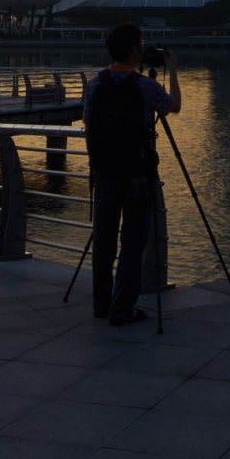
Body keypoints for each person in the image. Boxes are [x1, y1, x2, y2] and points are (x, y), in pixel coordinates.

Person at [82, 24, 180, 327]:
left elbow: (88, 125)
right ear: (135, 50)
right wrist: (172, 70)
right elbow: (174, 107)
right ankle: (122, 308)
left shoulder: (95, 84)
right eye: (141, 44)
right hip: (137, 172)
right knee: (133, 242)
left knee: (104, 239)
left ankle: (101, 303)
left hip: (104, 171)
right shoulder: (145, 86)